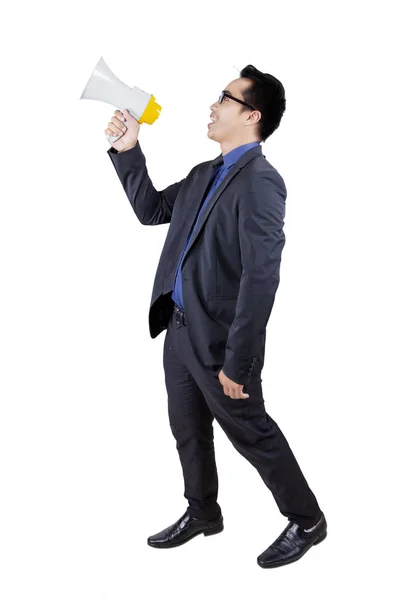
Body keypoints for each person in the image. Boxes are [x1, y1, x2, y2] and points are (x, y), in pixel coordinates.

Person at [105, 64, 327, 569]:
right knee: (186, 427)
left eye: (224, 98)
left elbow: (261, 278)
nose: (213, 105)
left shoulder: (262, 183)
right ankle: (203, 511)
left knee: (251, 432)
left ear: (252, 115)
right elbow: (152, 210)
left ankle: (308, 519)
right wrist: (128, 149)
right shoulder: (207, 173)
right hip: (180, 329)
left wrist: (239, 362)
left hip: (221, 345)